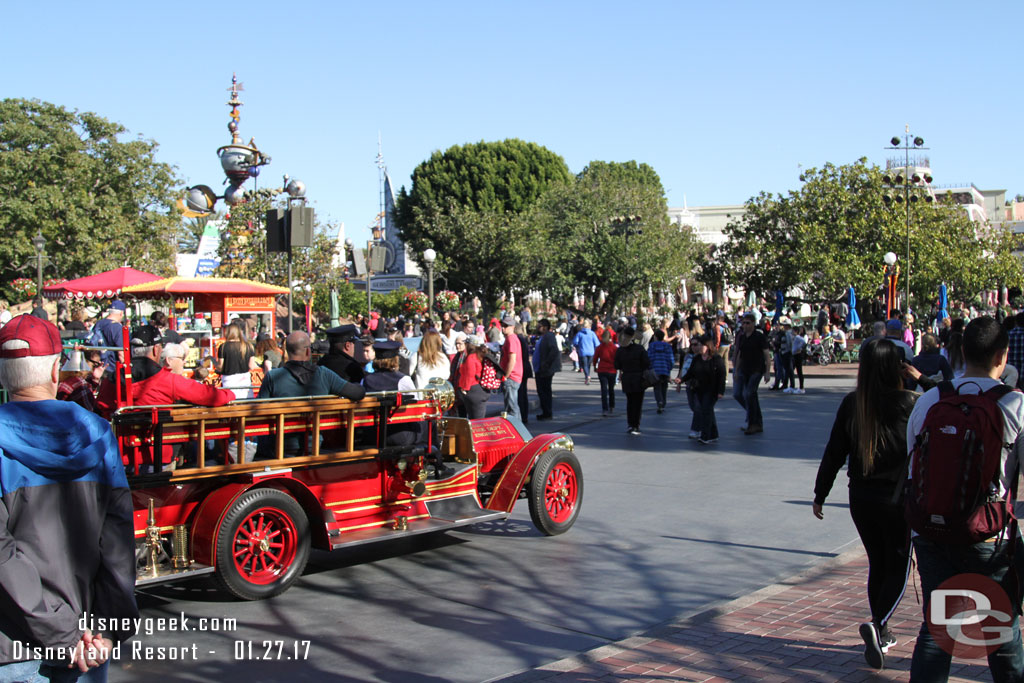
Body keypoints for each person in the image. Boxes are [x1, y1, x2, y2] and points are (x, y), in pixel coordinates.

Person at [0, 315, 138, 680]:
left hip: (15, 644)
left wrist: (63, 634)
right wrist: (108, 628)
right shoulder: (98, 432)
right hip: (87, 636)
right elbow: (118, 537)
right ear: (55, 369)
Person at [905, 316, 1024, 681]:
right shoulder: (1015, 405)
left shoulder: (930, 400)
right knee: (1001, 633)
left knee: (938, 631)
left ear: (960, 351)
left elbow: (913, 467)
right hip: (986, 535)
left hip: (932, 532)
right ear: (1002, 356)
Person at [812, 339, 916, 670]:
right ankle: (878, 624)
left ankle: (881, 631)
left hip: (860, 497)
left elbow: (833, 452)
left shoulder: (852, 403)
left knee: (877, 563)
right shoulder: (911, 403)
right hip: (898, 499)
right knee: (898, 567)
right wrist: (922, 378)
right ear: (896, 367)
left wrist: (820, 493)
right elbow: (948, 399)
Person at [257, 331, 366, 456]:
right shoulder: (323, 374)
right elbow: (358, 393)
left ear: (286, 351)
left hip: (280, 447)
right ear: (308, 352)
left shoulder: (273, 376)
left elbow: (259, 409)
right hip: (315, 446)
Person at [678, 334, 726, 444]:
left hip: (711, 390)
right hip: (699, 389)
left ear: (707, 346)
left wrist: (720, 391)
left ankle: (706, 435)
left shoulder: (716, 359)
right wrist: (681, 380)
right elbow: (691, 373)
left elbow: (722, 376)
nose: (698, 348)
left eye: (700, 345)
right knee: (708, 411)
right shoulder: (697, 359)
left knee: (705, 410)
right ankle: (714, 434)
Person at [731, 312, 771, 435]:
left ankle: (753, 423)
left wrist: (768, 372)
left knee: (749, 393)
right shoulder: (742, 337)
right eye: (743, 323)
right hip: (744, 369)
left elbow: (767, 355)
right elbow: (740, 356)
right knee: (740, 394)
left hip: (757, 369)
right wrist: (736, 370)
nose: (745, 325)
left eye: (748, 323)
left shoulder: (759, 336)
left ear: (753, 323)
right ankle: (754, 419)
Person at [615, 326, 651, 436]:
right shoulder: (640, 349)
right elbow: (647, 363)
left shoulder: (620, 350)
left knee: (630, 402)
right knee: (638, 402)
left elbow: (616, 365)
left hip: (627, 377)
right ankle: (636, 424)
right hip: (639, 377)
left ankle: (630, 424)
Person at [217, 320, 256, 399]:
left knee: (231, 403)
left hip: (229, 380)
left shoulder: (223, 347)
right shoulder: (248, 346)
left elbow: (220, 367)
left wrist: (214, 363)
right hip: (244, 379)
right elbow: (252, 366)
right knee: (246, 403)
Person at [456, 335, 490, 419]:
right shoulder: (480, 356)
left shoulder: (471, 357)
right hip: (481, 390)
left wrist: (465, 389)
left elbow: (469, 375)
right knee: (478, 418)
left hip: (474, 391)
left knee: (476, 421)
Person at [533, 319, 560, 421]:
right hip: (540, 368)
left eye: (539, 325)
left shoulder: (549, 336)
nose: (537, 327)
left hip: (545, 369)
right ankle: (545, 411)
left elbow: (554, 350)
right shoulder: (543, 337)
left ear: (544, 327)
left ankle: (547, 412)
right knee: (542, 391)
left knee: (544, 390)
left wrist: (546, 363)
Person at [89, 300, 127, 372]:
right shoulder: (118, 327)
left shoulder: (99, 323)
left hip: (97, 366)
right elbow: (121, 353)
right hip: (112, 368)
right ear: (121, 313)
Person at [499, 316, 524, 418]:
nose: (503, 328)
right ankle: (518, 429)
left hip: (511, 377)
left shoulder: (511, 339)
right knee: (512, 406)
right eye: (502, 325)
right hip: (513, 377)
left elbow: (512, 360)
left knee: (511, 408)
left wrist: (506, 375)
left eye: (506, 326)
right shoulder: (512, 338)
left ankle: (517, 430)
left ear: (512, 327)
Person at [647, 329, 675, 414]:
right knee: (664, 387)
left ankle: (659, 401)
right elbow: (670, 359)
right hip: (665, 369)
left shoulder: (652, 346)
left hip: (655, 369)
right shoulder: (667, 346)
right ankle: (663, 402)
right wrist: (669, 368)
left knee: (657, 387)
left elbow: (649, 357)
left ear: (655, 337)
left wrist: (650, 367)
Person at [594, 329, 618, 417]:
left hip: (602, 369)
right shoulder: (614, 348)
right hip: (612, 370)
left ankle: (605, 408)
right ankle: (612, 406)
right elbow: (617, 359)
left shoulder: (600, 347)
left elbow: (595, 358)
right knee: (611, 389)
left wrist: (595, 366)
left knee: (603, 390)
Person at [572, 320, 600, 385]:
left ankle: (587, 376)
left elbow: (575, 342)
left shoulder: (579, 334)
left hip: (582, 351)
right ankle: (588, 375)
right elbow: (597, 343)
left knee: (584, 365)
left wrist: (577, 346)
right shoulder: (592, 333)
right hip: (591, 352)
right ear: (589, 326)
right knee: (588, 365)